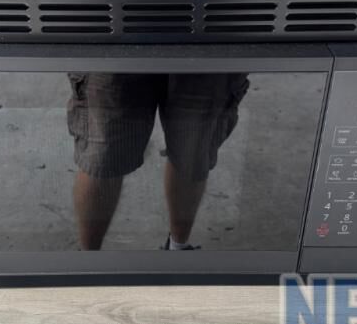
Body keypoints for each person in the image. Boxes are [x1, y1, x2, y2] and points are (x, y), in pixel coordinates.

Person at [66, 72, 249, 251]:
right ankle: (89, 261)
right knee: (103, 155)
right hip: (115, 57)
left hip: (207, 57)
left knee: (193, 149)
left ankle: (177, 247)